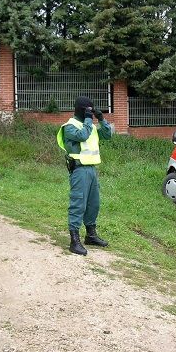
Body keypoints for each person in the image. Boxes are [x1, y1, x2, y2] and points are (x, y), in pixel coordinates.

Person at [57, 96, 113, 255]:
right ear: (81, 110)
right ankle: (74, 241)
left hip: (92, 170)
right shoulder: (69, 126)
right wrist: (89, 120)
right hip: (79, 170)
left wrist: (101, 118)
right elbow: (82, 136)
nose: (90, 113)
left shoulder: (91, 126)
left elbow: (107, 135)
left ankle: (91, 235)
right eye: (88, 110)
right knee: (78, 203)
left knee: (93, 203)